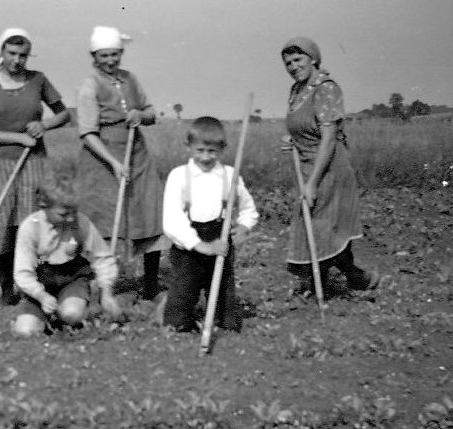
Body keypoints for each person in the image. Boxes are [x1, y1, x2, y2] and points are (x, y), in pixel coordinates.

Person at [0, 28, 70, 306]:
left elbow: (64, 113)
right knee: (2, 226)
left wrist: (43, 124)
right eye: (12, 53)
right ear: (1, 52)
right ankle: (6, 290)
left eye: (23, 55)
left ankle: (37, 287)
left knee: (33, 223)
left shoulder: (38, 80)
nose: (17, 60)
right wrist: (17, 137)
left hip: (34, 163)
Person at [280, 36, 379, 296]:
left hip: (329, 168)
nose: (293, 66)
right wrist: (294, 139)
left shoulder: (326, 88)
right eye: (288, 62)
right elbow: (306, 127)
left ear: (313, 58)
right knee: (317, 224)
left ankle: (336, 281)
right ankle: (351, 278)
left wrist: (312, 183)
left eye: (298, 59)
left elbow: (328, 139)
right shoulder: (296, 90)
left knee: (323, 225)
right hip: (306, 165)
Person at [74, 25, 167, 301]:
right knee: (102, 219)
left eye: (115, 55)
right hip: (102, 161)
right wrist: (113, 163)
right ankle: (101, 284)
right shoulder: (89, 86)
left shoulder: (131, 79)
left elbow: (151, 113)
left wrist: (141, 114)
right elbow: (88, 134)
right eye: (104, 56)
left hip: (136, 154)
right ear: (94, 56)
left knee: (148, 212)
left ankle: (150, 284)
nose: (111, 61)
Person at [162, 116, 259, 332]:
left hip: (220, 237)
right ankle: (180, 322)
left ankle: (222, 322)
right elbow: (172, 219)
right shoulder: (178, 176)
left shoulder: (229, 175)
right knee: (183, 292)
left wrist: (244, 226)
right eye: (199, 150)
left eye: (212, 151)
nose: (205, 157)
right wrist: (200, 246)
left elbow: (248, 207)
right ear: (188, 147)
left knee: (224, 292)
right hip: (188, 245)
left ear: (222, 149)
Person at [12, 172, 124, 336]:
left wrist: (107, 293)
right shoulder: (30, 227)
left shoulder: (81, 223)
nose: (71, 219)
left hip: (72, 278)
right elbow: (23, 272)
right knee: (25, 331)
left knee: (72, 314)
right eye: (63, 214)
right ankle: (42, 316)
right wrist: (41, 295)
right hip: (40, 281)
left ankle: (77, 312)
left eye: (74, 212)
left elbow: (102, 258)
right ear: (43, 206)